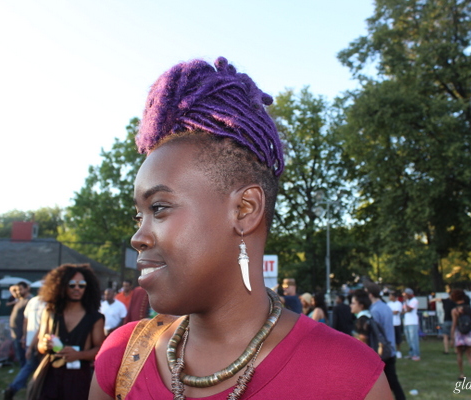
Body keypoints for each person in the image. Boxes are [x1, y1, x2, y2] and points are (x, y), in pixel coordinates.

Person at [90, 57, 390, 399]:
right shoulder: (120, 357)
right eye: (138, 215)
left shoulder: (350, 377)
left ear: (245, 209)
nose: (138, 237)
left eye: (158, 208)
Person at [36, 264, 105, 400]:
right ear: (61, 286)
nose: (77, 288)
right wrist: (45, 346)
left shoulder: (95, 317)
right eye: (72, 284)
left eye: (82, 285)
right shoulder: (51, 313)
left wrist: (79, 355)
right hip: (52, 375)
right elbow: (40, 345)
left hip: (79, 377)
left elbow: (100, 349)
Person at [366, 283, 406, 400]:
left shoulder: (374, 310)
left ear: (371, 294)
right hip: (390, 347)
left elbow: (376, 333)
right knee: (392, 380)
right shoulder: (386, 307)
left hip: (382, 349)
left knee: (382, 383)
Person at [4, 294, 47, 400]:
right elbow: (44, 324)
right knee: (41, 368)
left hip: (31, 338)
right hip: (43, 339)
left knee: (29, 366)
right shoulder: (50, 302)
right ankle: (34, 390)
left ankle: (14, 388)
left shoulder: (32, 301)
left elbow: (25, 321)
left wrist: (24, 336)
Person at [450, 289, 471, 382]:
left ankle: (462, 374)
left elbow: (454, 324)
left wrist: (452, 337)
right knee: (470, 355)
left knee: (459, 354)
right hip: (469, 333)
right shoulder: (469, 309)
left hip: (459, 333)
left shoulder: (455, 310)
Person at [9, 281, 31, 368]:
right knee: (20, 356)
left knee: (24, 358)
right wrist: (15, 289)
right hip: (15, 333)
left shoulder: (29, 301)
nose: (18, 292)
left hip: (22, 334)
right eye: (17, 290)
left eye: (21, 289)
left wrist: (25, 335)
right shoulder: (19, 299)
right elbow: (11, 290)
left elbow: (28, 319)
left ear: (27, 288)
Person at [402, 288, 420, 361]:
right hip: (407, 322)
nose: (404, 296)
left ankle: (416, 354)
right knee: (409, 339)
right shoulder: (407, 301)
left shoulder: (414, 300)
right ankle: (411, 353)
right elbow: (403, 310)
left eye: (405, 295)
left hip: (413, 322)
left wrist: (406, 301)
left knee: (413, 339)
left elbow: (409, 310)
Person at [387, 291, 403, 357]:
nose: (389, 297)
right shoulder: (388, 304)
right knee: (390, 338)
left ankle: (398, 351)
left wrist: (390, 312)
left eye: (390, 295)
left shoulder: (398, 303)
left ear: (393, 296)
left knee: (397, 338)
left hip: (396, 323)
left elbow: (396, 312)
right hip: (390, 324)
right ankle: (391, 350)